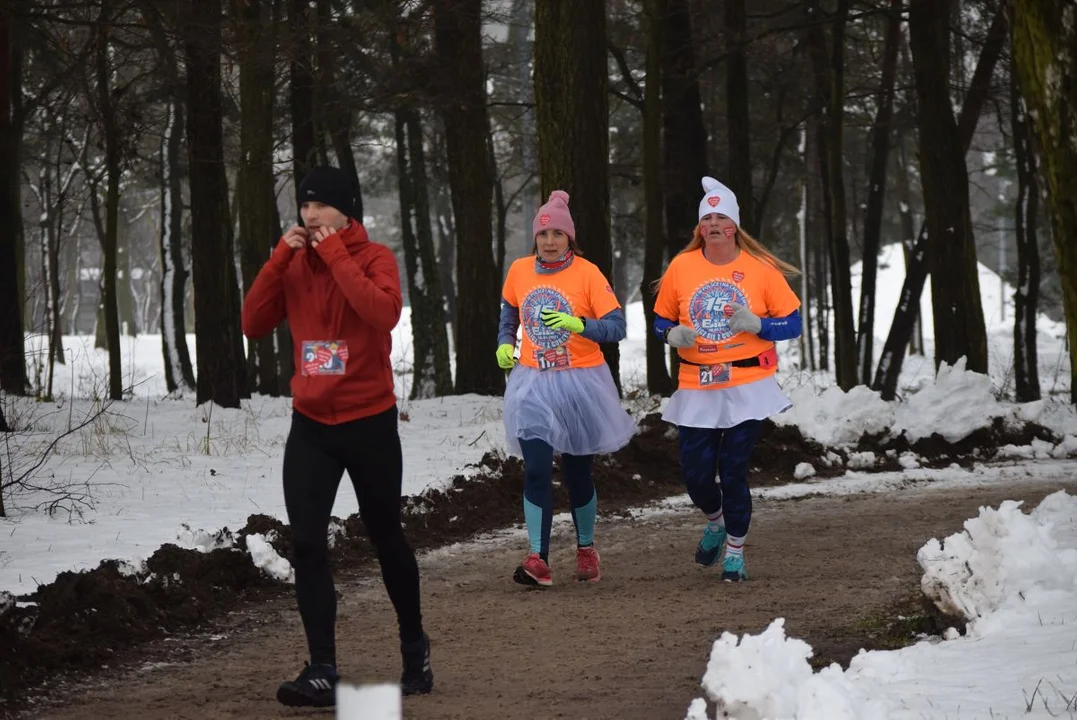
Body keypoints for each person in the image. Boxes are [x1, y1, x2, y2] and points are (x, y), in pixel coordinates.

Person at [242, 165, 433, 707]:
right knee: (306, 543)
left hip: (369, 420)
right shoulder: (295, 263)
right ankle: (322, 668)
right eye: (304, 207)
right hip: (312, 426)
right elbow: (253, 322)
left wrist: (335, 257)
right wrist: (282, 257)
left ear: (345, 210)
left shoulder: (374, 258)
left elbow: (383, 314)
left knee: (385, 536)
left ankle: (414, 647)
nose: (309, 215)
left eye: (319, 206)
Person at [652, 176, 802, 583]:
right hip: (697, 385)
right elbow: (660, 319)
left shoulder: (760, 269)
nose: (714, 224)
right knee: (697, 476)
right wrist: (670, 334)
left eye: (721, 217)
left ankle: (735, 550)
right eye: (707, 218)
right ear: (699, 228)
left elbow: (794, 322)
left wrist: (761, 324)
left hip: (747, 384)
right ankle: (716, 520)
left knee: (733, 471)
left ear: (734, 226)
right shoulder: (682, 267)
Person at [496, 190, 637, 587]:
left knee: (577, 473)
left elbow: (617, 328)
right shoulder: (520, 271)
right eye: (543, 234)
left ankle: (586, 548)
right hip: (532, 382)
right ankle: (537, 559)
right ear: (535, 239)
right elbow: (509, 311)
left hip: (580, 381)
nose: (550, 241)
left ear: (570, 239)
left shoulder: (588, 274)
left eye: (558, 233)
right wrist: (505, 343)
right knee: (536, 467)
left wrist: (579, 325)